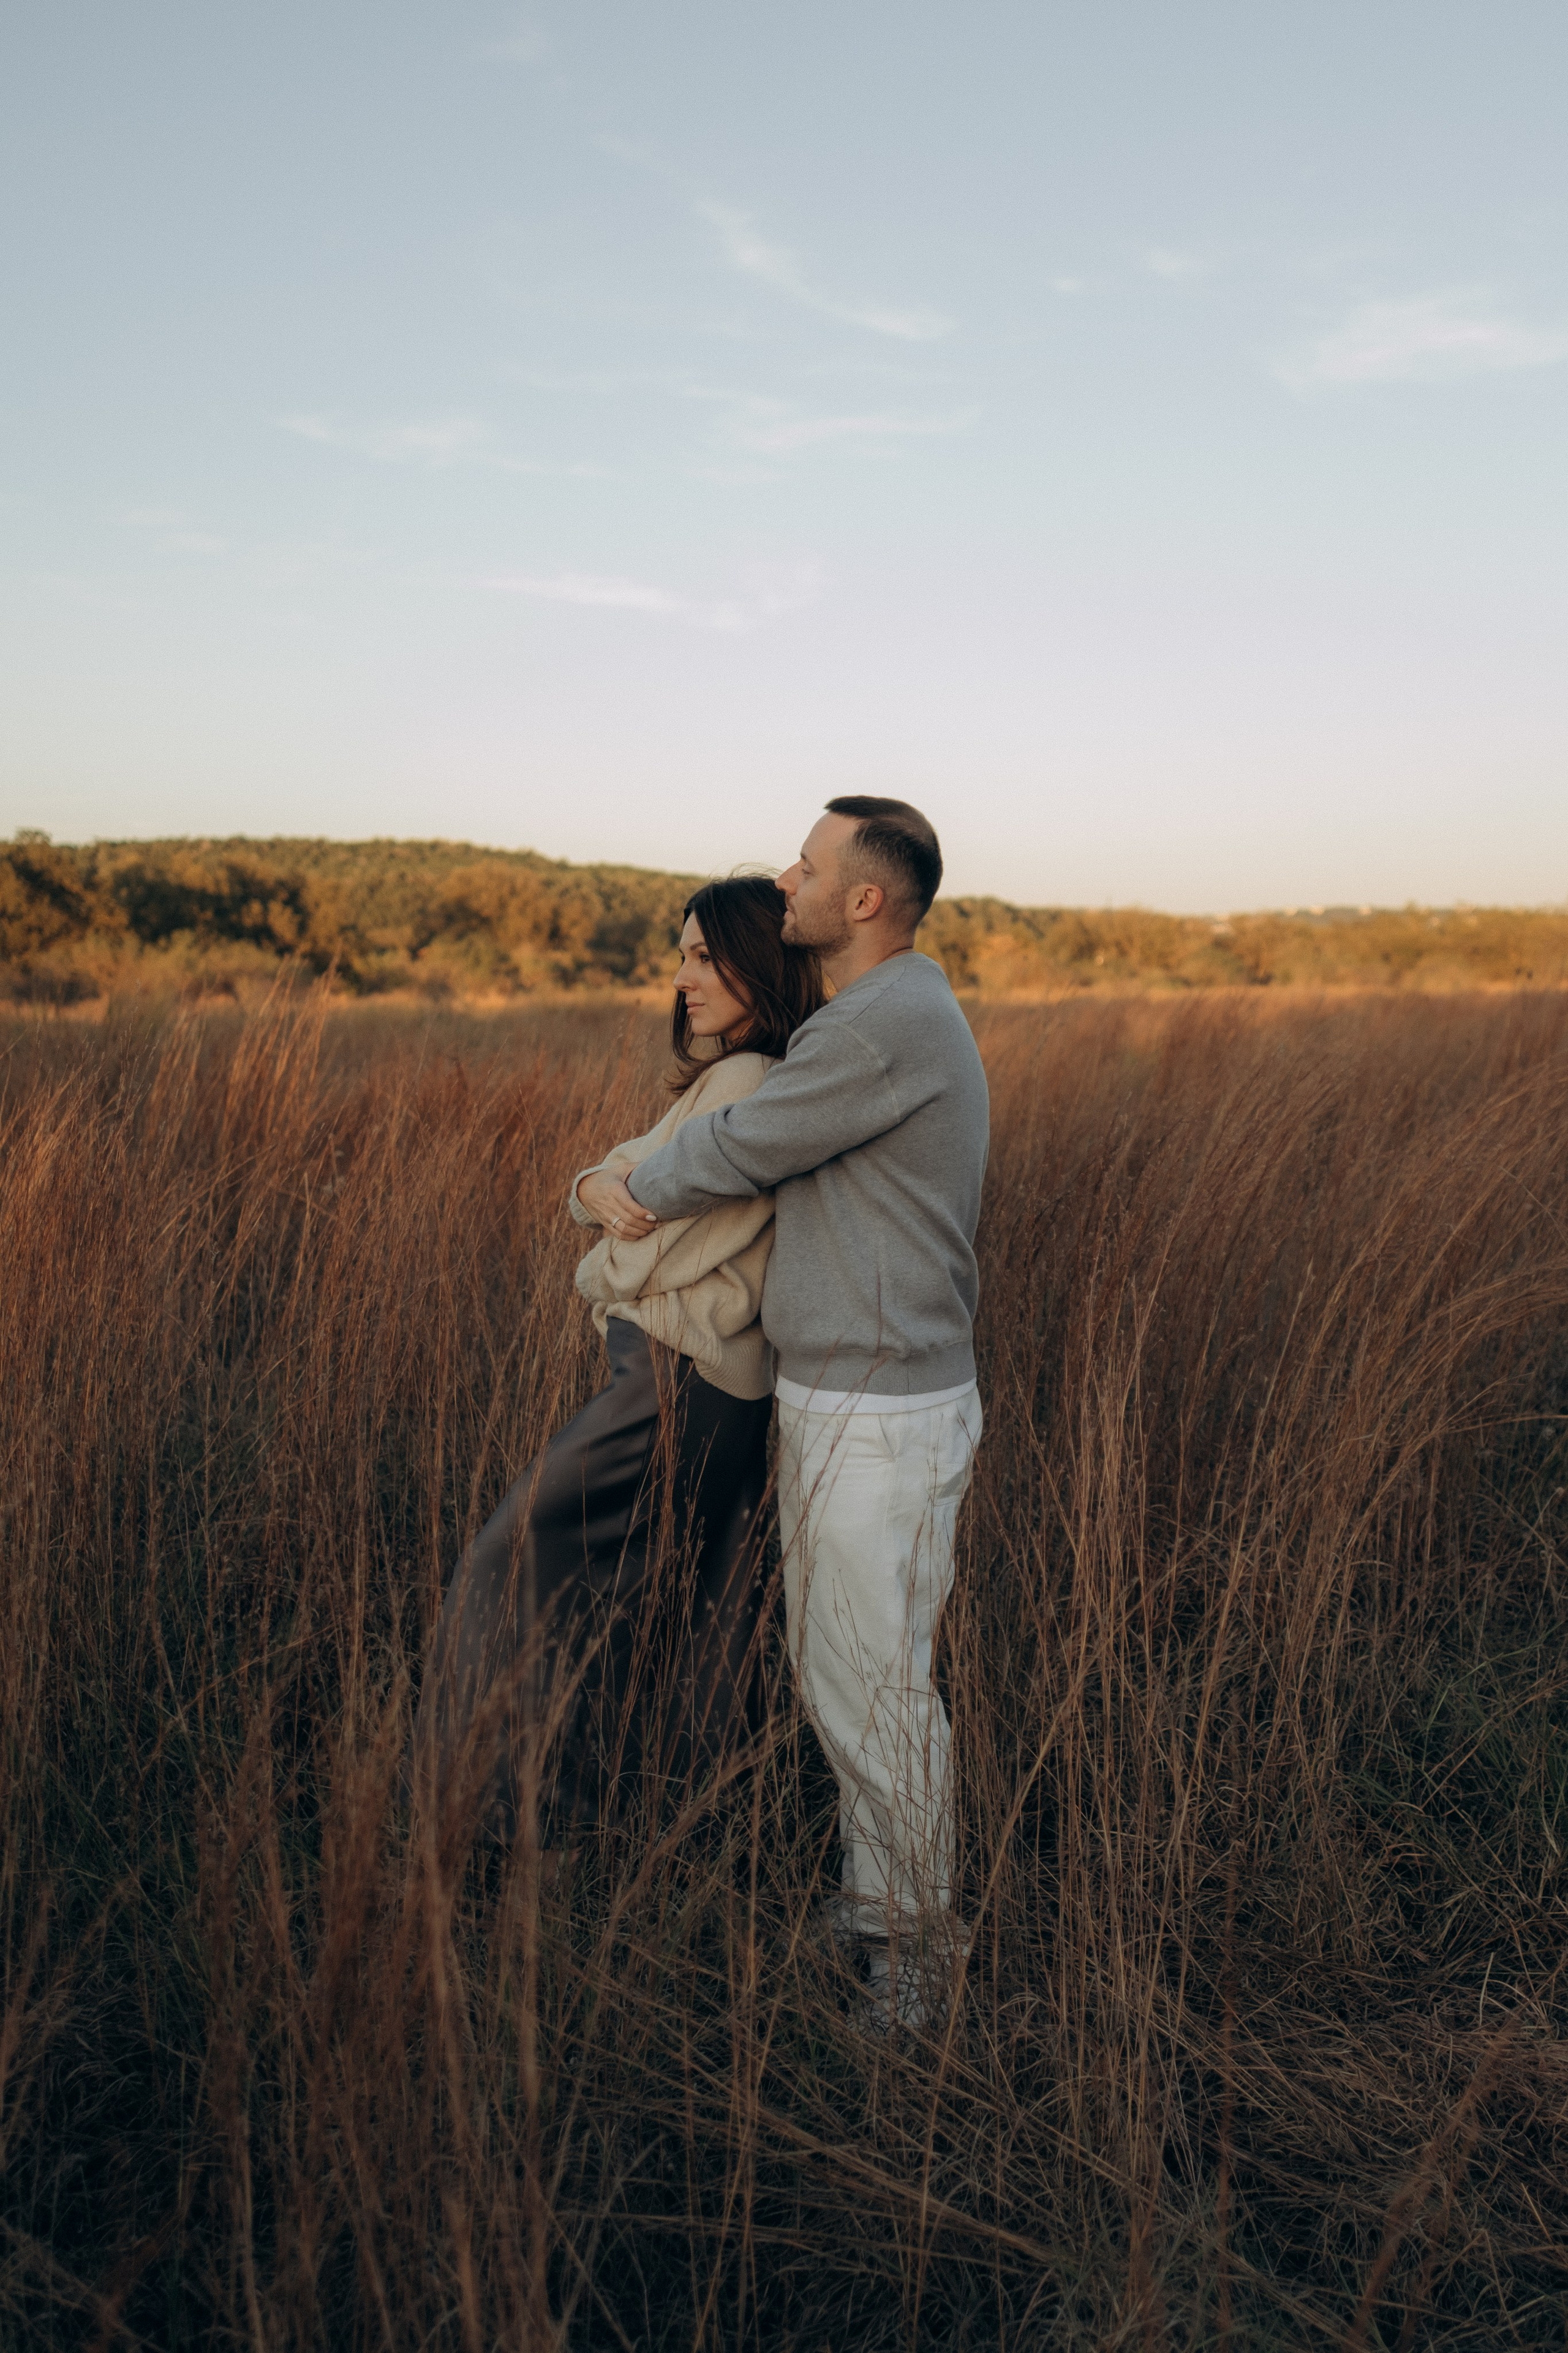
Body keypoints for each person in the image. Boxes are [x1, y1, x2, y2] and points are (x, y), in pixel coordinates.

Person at [598, 798, 989, 2031]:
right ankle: (883, 1906)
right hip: (859, 1395)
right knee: (853, 1671)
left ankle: (912, 1972)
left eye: (809, 866)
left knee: (869, 1683)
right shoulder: (880, 1015)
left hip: (876, 1410)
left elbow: (742, 1145)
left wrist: (624, 1188)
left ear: (864, 899)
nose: (787, 879)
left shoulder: (879, 1027)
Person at [415, 874, 824, 1848]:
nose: (680, 978)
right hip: (705, 1386)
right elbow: (613, 1176)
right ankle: (642, 1829)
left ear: (754, 959)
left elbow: (646, 1248)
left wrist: (600, 1250)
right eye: (679, 955)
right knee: (678, 1604)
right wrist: (593, 1182)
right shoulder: (741, 1079)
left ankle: (500, 1824)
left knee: (510, 1567)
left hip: (674, 1382)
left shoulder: (751, 1084)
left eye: (699, 955)